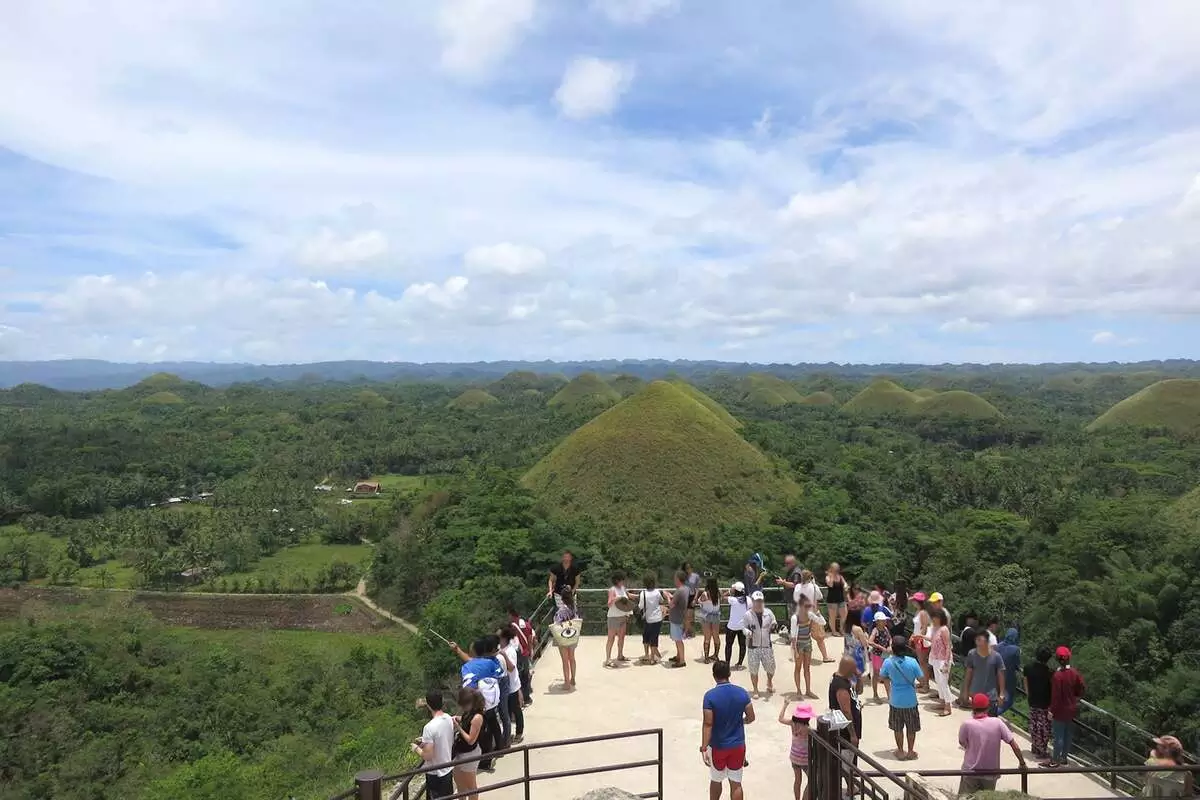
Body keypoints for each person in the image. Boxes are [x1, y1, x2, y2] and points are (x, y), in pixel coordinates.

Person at [701, 660, 755, 800]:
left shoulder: (710, 696)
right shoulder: (742, 693)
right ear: (729, 674)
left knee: (716, 780)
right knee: (736, 783)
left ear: (714, 676)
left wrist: (704, 747)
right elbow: (751, 717)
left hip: (718, 746)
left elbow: (708, 724)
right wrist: (740, 721)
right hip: (738, 745)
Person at [450, 639, 505, 772]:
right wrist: (457, 650)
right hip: (492, 701)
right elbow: (500, 674)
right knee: (494, 725)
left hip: (479, 704)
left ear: (474, 652)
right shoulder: (492, 662)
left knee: (483, 733)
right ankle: (500, 748)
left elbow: (467, 686)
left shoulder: (468, 667)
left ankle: (485, 761)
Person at [957, 692, 1025, 795]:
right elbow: (1013, 744)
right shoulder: (998, 723)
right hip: (991, 773)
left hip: (970, 772)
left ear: (972, 707)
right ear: (988, 707)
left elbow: (962, 742)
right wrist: (1022, 763)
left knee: (965, 797)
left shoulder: (967, 724)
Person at [880, 637, 924, 761]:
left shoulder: (888, 662)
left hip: (896, 700)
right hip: (911, 700)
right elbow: (922, 680)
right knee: (912, 727)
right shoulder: (912, 662)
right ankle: (910, 751)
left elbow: (882, 677)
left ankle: (900, 751)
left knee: (897, 727)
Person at [1043, 645, 1086, 768]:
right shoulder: (1074, 673)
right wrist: (1077, 697)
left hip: (1059, 710)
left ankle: (1055, 760)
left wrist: (1052, 710)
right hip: (1071, 708)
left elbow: (1055, 696)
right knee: (1067, 735)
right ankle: (1064, 759)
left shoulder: (1057, 676)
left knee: (1058, 737)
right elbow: (1082, 687)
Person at [830, 654, 864, 793]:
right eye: (854, 668)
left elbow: (859, 691)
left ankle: (851, 785)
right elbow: (846, 711)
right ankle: (851, 787)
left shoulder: (845, 680)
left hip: (852, 727)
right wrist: (853, 734)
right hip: (846, 731)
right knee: (846, 761)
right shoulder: (840, 686)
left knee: (850, 760)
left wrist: (859, 677)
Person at [413, 690, 456, 799]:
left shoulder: (429, 727)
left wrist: (416, 748)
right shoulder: (448, 718)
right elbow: (441, 737)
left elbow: (428, 756)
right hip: (447, 769)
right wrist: (425, 740)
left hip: (435, 774)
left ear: (428, 705)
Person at [451, 688, 485, 800]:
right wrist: (458, 719)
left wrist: (458, 727)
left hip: (470, 754)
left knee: (471, 787)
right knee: (459, 783)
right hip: (460, 752)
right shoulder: (469, 712)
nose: (463, 707)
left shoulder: (477, 717)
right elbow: (466, 720)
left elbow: (471, 740)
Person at [961, 630, 1006, 716]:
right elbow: (968, 674)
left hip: (991, 696)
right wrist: (965, 691)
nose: (979, 643)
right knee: (978, 720)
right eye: (977, 640)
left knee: (991, 721)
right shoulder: (972, 654)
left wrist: (1002, 694)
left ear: (987, 641)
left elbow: (1001, 675)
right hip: (976, 695)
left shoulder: (996, 656)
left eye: (981, 640)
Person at [778, 699, 815, 800]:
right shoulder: (808, 729)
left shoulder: (792, 723)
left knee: (797, 780)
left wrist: (785, 705)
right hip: (805, 759)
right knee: (812, 780)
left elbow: (780, 719)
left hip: (794, 757)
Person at [743, 590, 777, 696]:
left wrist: (774, 624)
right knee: (754, 669)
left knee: (771, 667)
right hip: (753, 646)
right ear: (752, 601)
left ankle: (769, 681)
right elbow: (743, 627)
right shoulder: (748, 614)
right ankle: (755, 689)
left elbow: (774, 621)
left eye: (760, 601)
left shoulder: (768, 612)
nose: (758, 603)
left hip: (767, 645)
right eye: (756, 601)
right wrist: (747, 632)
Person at [1023, 645, 1054, 760]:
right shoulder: (1050, 672)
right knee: (1044, 727)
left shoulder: (1028, 667)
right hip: (1045, 703)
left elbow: (1025, 681)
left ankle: (1035, 746)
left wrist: (1028, 694)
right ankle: (1041, 750)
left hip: (1032, 700)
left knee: (1034, 724)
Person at [498, 625, 524, 744]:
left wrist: (504, 656)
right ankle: (507, 735)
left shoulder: (510, 650)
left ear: (504, 638)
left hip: (512, 686)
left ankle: (519, 732)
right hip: (504, 687)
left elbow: (512, 667)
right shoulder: (499, 648)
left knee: (516, 710)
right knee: (506, 712)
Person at [926, 608, 954, 716]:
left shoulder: (944, 629)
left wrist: (946, 663)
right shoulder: (935, 628)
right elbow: (932, 640)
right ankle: (942, 702)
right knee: (938, 681)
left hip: (943, 659)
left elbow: (948, 646)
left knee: (943, 682)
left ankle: (948, 705)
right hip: (935, 657)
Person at [791, 596, 820, 699]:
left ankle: (808, 690)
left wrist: (818, 615)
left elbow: (823, 622)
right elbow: (793, 636)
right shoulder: (795, 618)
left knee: (807, 668)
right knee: (798, 667)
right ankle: (798, 690)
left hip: (808, 642)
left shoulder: (810, 615)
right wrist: (795, 651)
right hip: (798, 644)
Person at [507, 605, 535, 705]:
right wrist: (531, 650)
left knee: (516, 678)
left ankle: (519, 701)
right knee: (525, 677)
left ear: (511, 615)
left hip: (515, 655)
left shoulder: (511, 627)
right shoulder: (526, 625)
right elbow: (530, 638)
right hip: (525, 653)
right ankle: (527, 698)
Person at [637, 573, 668, 664]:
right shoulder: (657, 592)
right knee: (654, 638)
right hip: (657, 618)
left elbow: (640, 606)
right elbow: (661, 601)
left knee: (646, 637)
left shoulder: (643, 593)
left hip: (647, 618)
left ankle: (647, 655)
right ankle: (652, 658)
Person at [554, 588, 580, 689]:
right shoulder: (573, 607)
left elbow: (557, 623)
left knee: (565, 660)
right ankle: (573, 678)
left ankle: (566, 683)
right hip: (573, 634)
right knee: (572, 657)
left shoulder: (562, 610)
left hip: (563, 635)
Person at [604, 570, 632, 668]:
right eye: (621, 580)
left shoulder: (623, 588)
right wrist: (617, 598)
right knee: (611, 638)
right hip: (613, 617)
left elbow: (628, 597)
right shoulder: (612, 590)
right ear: (617, 580)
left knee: (621, 637)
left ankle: (620, 655)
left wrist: (642, 595)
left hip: (623, 616)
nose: (623, 582)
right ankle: (608, 659)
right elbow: (609, 604)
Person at [776, 555, 804, 640]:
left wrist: (783, 583)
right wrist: (783, 581)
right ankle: (794, 636)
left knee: (794, 619)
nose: (786, 565)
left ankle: (795, 637)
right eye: (785, 563)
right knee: (792, 619)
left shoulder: (795, 572)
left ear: (793, 563)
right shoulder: (791, 571)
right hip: (791, 599)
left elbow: (795, 585)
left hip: (794, 601)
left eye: (787, 563)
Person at [867, 611, 893, 703]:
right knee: (876, 674)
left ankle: (889, 695)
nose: (885, 621)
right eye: (883, 620)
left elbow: (890, 638)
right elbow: (870, 641)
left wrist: (890, 645)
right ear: (877, 621)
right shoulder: (875, 630)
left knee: (886, 674)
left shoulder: (885, 629)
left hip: (885, 655)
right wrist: (881, 647)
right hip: (877, 655)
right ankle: (875, 694)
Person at [995, 628, 1022, 716]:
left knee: (995, 697)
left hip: (995, 675)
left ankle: (990, 712)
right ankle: (994, 713)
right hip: (1008, 678)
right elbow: (1017, 664)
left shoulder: (998, 646)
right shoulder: (1016, 649)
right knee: (1008, 701)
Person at [698, 577, 724, 663]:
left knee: (707, 637)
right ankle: (716, 655)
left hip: (706, 616)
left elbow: (700, 601)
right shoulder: (719, 592)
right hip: (716, 616)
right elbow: (722, 600)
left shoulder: (705, 594)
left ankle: (706, 658)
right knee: (716, 636)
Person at [668, 570, 691, 668]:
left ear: (678, 579)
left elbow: (671, 605)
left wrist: (667, 597)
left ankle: (682, 660)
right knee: (677, 639)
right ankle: (678, 656)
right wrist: (672, 597)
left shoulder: (679, 591)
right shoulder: (686, 589)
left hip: (677, 618)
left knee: (678, 640)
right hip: (681, 617)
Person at [725, 582, 750, 668]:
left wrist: (729, 591)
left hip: (732, 627)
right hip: (743, 626)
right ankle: (739, 664)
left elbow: (721, 597)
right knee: (742, 645)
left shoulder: (732, 600)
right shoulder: (748, 599)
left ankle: (727, 664)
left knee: (729, 645)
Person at [909, 593, 931, 691]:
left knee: (923, 662)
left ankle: (926, 685)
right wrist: (912, 636)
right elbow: (916, 627)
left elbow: (924, 627)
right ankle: (923, 682)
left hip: (921, 640)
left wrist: (919, 639)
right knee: (920, 662)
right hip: (917, 638)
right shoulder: (918, 611)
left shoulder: (923, 613)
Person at [825, 563, 848, 635]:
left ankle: (841, 629)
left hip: (841, 598)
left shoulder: (840, 577)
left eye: (837, 568)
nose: (836, 570)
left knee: (844, 614)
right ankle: (834, 631)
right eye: (835, 569)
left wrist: (845, 586)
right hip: (832, 600)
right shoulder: (828, 577)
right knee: (833, 616)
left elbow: (845, 584)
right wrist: (831, 576)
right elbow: (830, 585)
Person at [684, 562, 702, 638]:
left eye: (689, 568)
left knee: (690, 616)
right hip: (684, 596)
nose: (688, 569)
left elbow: (697, 588)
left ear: (692, 568)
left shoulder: (695, 576)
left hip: (692, 596)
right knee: (685, 616)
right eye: (686, 568)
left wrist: (695, 598)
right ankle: (687, 632)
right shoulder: (683, 576)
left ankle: (688, 632)